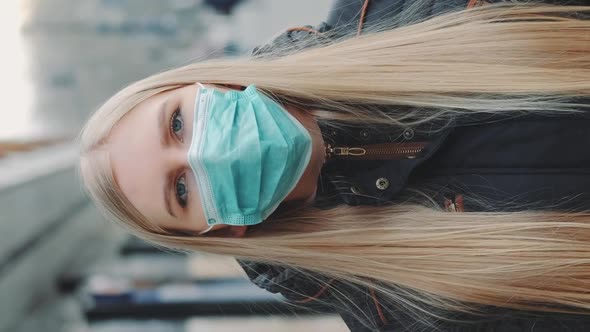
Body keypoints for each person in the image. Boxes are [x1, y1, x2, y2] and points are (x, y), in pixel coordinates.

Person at [79, 0, 590, 330]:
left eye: (176, 124)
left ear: (207, 83)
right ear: (224, 232)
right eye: (182, 191)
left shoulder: (395, 12)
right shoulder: (401, 310)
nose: (203, 153)